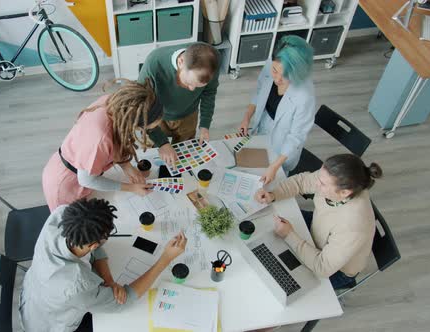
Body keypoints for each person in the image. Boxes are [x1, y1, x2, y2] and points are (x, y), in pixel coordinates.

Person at [19, 198, 187, 332]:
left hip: (35, 292)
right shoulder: (77, 285)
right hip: (50, 324)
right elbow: (124, 301)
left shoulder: (63, 214)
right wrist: (165, 258)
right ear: (93, 244)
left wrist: (109, 281)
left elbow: (94, 249)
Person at [254, 154, 383, 290]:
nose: (316, 184)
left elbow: (322, 267)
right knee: (265, 223)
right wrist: (273, 195)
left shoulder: (354, 225)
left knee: (276, 278)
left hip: (333, 270)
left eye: (322, 184)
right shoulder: (333, 177)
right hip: (318, 228)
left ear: (344, 192)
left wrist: (289, 235)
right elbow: (302, 182)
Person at [42, 79, 163, 211]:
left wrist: (127, 167)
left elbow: (117, 137)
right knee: (75, 226)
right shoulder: (100, 139)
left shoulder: (115, 104)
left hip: (78, 169)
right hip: (66, 184)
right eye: (146, 128)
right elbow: (87, 180)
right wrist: (131, 188)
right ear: (134, 124)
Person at [239, 35, 316, 184]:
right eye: (274, 71)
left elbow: (296, 137)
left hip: (283, 144)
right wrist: (247, 117)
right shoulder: (273, 62)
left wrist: (275, 166)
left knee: (269, 184)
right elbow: (259, 90)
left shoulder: (305, 96)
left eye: (285, 75)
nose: (277, 79)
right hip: (263, 125)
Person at [138, 42, 220, 167]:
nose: (192, 89)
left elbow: (209, 92)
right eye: (188, 82)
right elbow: (142, 107)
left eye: (198, 87)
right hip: (155, 117)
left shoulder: (212, 61)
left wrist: (205, 124)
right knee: (151, 155)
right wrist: (162, 143)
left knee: (183, 157)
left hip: (188, 115)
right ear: (181, 62)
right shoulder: (154, 63)